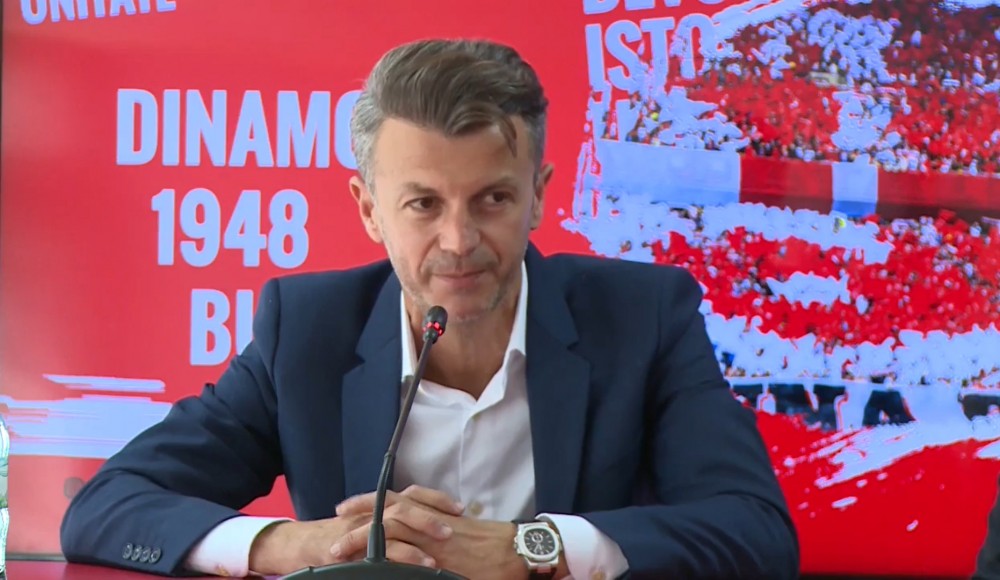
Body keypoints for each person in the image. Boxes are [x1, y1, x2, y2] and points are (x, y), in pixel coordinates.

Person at [60, 38, 800, 579]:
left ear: (539, 195)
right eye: (423, 204)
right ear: (369, 209)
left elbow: (755, 532)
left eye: (493, 198)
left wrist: (534, 547)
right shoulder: (307, 330)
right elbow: (108, 506)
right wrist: (297, 545)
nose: (459, 241)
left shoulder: (644, 317)